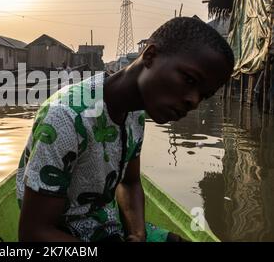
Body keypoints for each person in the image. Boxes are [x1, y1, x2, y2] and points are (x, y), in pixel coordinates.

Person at [16, 17, 234, 242]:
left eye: (203, 95)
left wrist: (137, 233)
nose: (193, 101)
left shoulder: (136, 113)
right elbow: (34, 233)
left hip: (105, 224)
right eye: (189, 80)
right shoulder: (66, 117)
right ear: (150, 56)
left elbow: (129, 182)